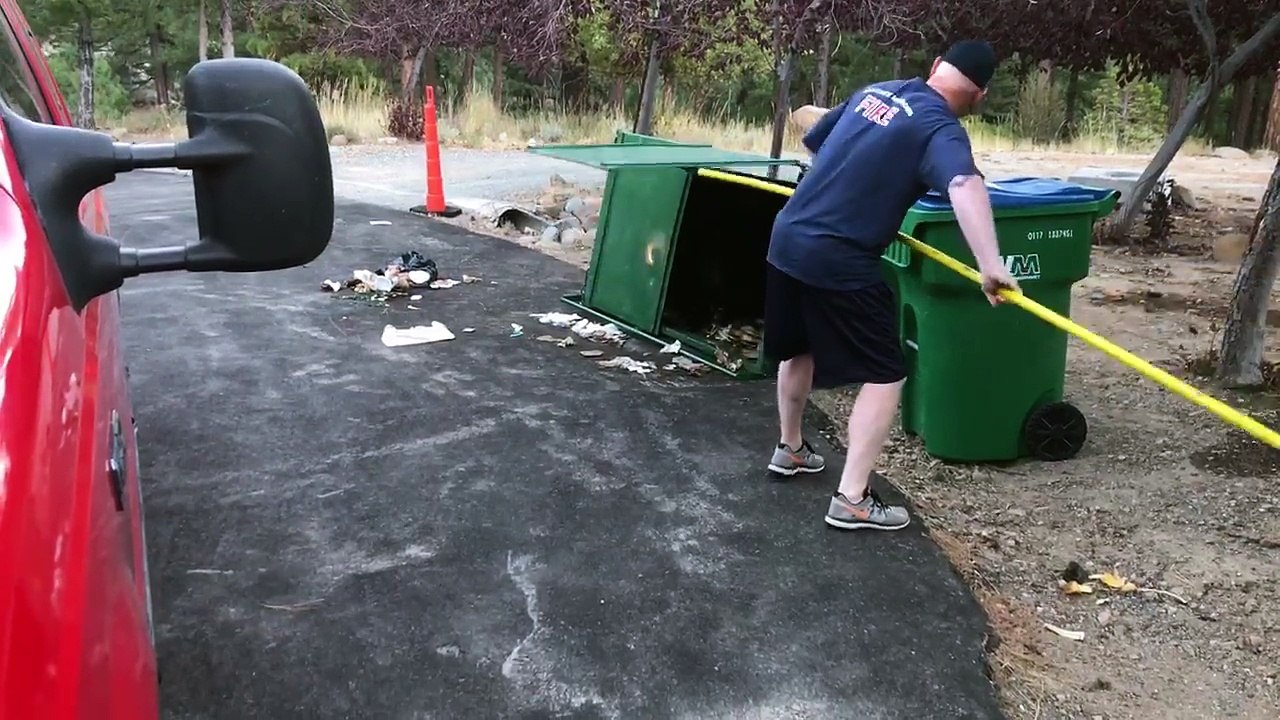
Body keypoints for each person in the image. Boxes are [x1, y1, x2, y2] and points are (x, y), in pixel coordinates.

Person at [762, 39, 1020, 531]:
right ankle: (852, 499)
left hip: (788, 236)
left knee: (798, 350)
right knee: (885, 372)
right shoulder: (940, 128)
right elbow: (965, 186)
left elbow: (814, 141)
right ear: (979, 96)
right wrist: (991, 263)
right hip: (839, 257)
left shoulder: (876, 90)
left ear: (937, 65)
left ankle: (791, 449)